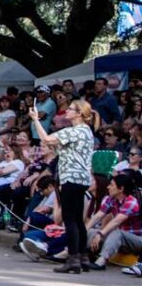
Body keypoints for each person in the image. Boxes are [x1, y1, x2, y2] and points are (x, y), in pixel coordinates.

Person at [29, 99, 96, 274]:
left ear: (79, 113)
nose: (67, 111)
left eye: (71, 109)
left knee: (70, 219)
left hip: (71, 178)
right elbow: (55, 146)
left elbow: (46, 139)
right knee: (78, 220)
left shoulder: (74, 130)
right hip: (82, 178)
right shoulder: (86, 131)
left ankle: (73, 258)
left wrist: (36, 119)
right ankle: (83, 257)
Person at [84, 172, 141, 270]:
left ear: (121, 189)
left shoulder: (131, 202)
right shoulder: (111, 199)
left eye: (111, 185)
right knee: (91, 231)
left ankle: (101, 261)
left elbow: (116, 222)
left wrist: (100, 234)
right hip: (120, 239)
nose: (108, 187)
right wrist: (85, 230)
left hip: (137, 239)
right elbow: (98, 216)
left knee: (117, 233)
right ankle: (80, 254)